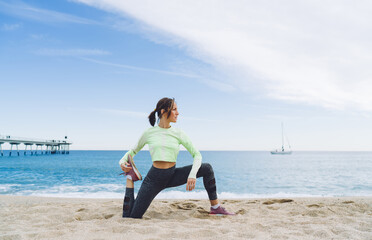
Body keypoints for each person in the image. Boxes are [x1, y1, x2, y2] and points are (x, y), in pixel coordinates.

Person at [119, 97, 235, 218]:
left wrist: (192, 174)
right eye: (174, 109)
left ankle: (216, 208)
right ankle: (130, 177)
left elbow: (197, 155)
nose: (177, 113)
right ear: (163, 111)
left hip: (172, 175)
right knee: (131, 217)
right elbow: (133, 151)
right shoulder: (149, 133)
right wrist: (122, 161)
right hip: (154, 179)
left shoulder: (179, 133)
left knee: (207, 168)